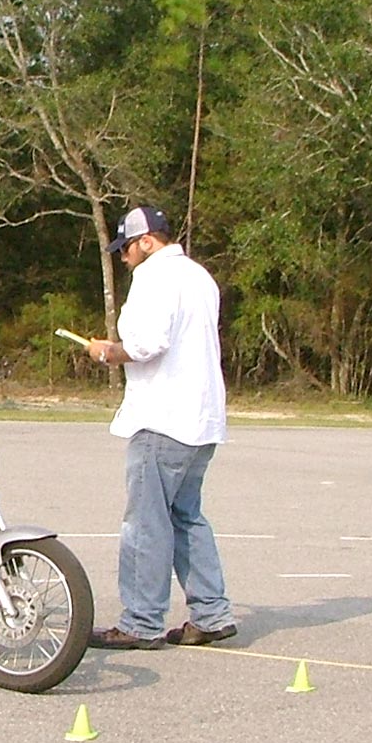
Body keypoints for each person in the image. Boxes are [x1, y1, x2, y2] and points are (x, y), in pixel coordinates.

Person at [84, 206, 237, 650]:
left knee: (145, 523)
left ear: (147, 241)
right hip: (202, 419)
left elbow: (148, 344)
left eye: (127, 248)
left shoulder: (154, 277)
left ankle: (141, 621)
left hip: (163, 418)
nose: (124, 258)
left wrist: (105, 352)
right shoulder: (199, 276)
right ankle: (211, 613)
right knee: (186, 516)